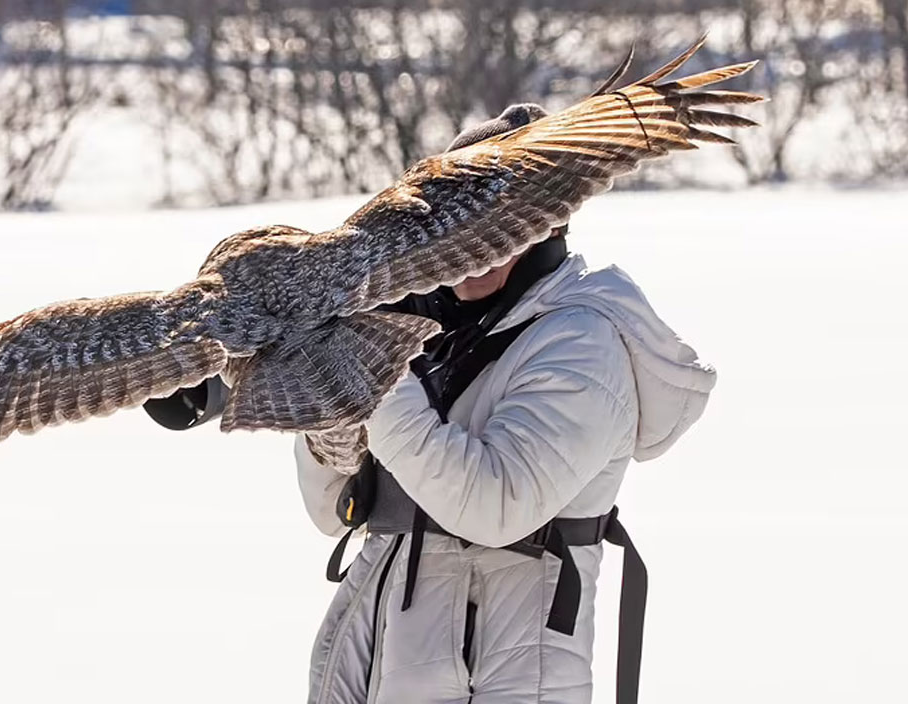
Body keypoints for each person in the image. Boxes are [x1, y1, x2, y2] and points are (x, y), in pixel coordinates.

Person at [293, 107, 716, 704]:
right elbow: (339, 513)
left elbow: (495, 504)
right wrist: (326, 436)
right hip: (376, 665)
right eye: (450, 234)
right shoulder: (439, 330)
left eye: (493, 233)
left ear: (544, 228)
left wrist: (374, 377)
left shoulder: (582, 343)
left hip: (497, 681)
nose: (468, 253)